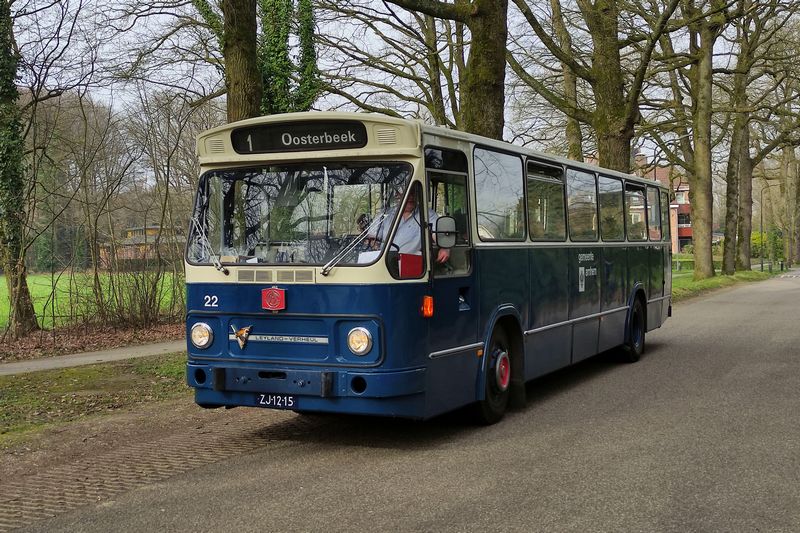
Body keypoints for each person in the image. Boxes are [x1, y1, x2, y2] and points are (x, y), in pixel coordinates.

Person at [373, 189, 449, 264]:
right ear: (397, 195)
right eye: (407, 193)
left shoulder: (427, 214)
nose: (411, 197)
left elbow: (437, 233)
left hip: (412, 263)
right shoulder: (385, 214)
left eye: (413, 193)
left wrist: (445, 247)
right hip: (384, 262)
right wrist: (375, 248)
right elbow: (373, 238)